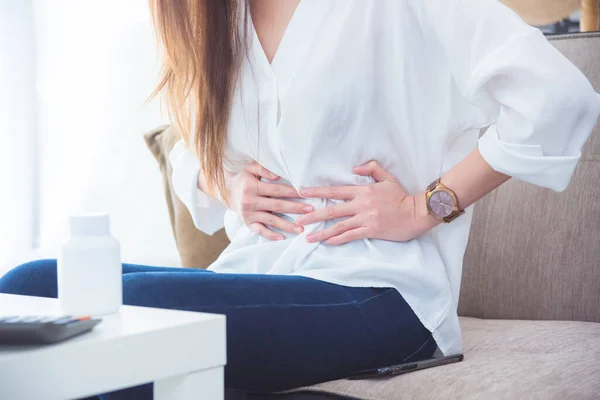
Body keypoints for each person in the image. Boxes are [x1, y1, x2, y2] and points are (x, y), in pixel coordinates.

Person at [1, 0, 599, 398]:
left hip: (382, 292)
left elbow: (556, 98)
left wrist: (426, 205)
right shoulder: (212, 15)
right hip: (257, 268)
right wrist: (228, 184)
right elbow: (188, 146)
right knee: (29, 284)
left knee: (137, 310)